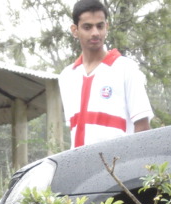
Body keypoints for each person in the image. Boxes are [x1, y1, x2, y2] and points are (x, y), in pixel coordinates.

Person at [58, 0, 154, 149]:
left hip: (119, 167)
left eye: (100, 26)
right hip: (81, 169)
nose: (95, 33)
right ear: (75, 30)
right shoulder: (67, 76)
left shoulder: (126, 68)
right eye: (87, 27)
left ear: (106, 27)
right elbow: (75, 131)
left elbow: (142, 128)